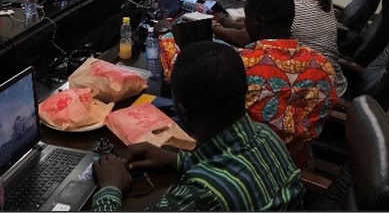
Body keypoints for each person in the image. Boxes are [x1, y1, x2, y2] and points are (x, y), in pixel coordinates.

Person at [92, 42, 304, 211]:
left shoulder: (201, 194)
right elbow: (229, 161)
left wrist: (111, 187)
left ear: (182, 111)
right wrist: (177, 160)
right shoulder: (267, 135)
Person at [239, 0, 337, 169]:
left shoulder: (242, 66)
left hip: (248, 170)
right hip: (298, 164)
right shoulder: (322, 65)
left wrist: (168, 36)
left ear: (254, 22)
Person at [284, 0, 347, 97]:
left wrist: (219, 27)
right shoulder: (322, 1)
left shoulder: (295, 7)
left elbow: (255, 35)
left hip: (321, 94)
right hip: (331, 82)